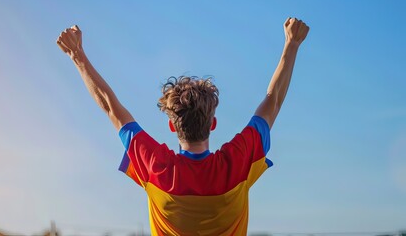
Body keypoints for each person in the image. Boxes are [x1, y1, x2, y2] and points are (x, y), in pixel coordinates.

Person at [56, 17, 309, 236]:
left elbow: (111, 108)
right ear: (213, 124)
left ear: (172, 126)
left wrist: (77, 55)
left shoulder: (157, 167)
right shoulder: (236, 164)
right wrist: (292, 44)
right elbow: (272, 102)